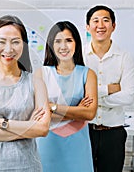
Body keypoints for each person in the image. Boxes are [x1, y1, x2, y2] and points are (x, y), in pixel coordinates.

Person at [0, 15, 51, 172]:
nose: (8, 49)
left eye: (15, 42)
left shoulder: (37, 83)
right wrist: (27, 127)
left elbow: (42, 129)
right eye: (2, 41)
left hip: (27, 166)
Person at [36, 21, 98, 172]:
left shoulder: (87, 74)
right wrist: (77, 111)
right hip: (47, 144)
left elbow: (90, 113)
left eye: (68, 40)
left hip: (78, 145)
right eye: (58, 41)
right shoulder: (41, 73)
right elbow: (39, 116)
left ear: (76, 43)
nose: (63, 46)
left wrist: (53, 107)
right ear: (51, 45)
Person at [84, 5, 134, 172]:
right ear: (88, 27)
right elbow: (75, 94)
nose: (101, 25)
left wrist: (92, 96)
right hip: (84, 132)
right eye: (95, 21)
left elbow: (128, 96)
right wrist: (109, 89)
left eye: (106, 20)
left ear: (113, 26)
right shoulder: (79, 56)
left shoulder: (125, 57)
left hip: (114, 132)